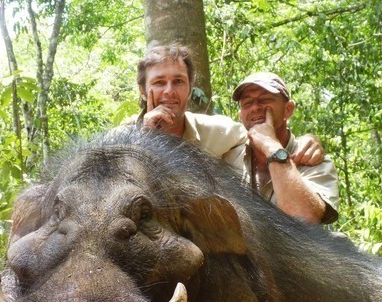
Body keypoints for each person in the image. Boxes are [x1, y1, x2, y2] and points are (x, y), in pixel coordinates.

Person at [135, 45, 336, 223]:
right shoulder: (122, 141)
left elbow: (304, 218)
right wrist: (145, 137)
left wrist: (280, 147)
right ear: (143, 91)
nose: (169, 91)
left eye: (178, 81)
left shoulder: (224, 137)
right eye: (159, 82)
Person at [232, 72, 339, 224]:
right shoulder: (228, 153)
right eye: (247, 103)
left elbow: (305, 218)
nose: (255, 107)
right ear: (241, 115)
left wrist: (271, 147)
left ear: (288, 109)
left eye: (265, 99)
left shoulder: (314, 162)